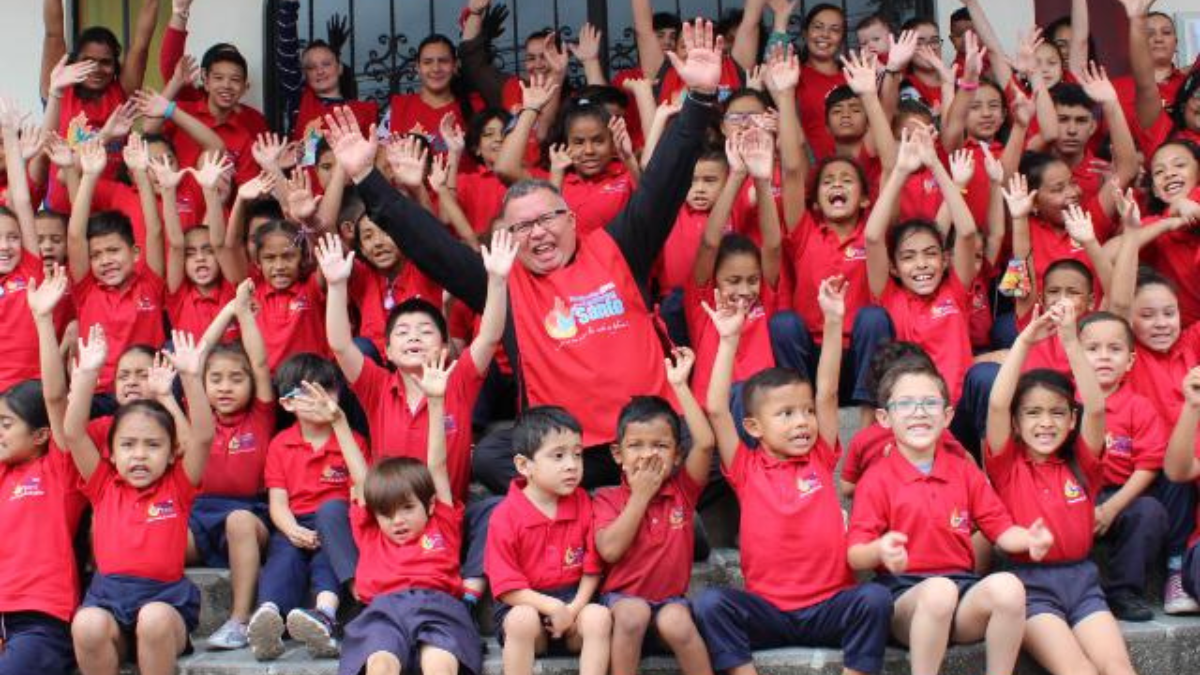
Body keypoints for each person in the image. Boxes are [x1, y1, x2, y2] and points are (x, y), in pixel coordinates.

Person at [323, 19, 725, 493]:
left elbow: (662, 185)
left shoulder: (617, 246)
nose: (537, 234)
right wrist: (368, 178)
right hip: (567, 454)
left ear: (571, 217)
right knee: (495, 457)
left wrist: (699, 101)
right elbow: (432, 248)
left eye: (547, 219)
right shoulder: (503, 279)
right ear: (508, 237)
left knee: (705, 454)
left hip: (644, 439)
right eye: (522, 227)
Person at [693, 276, 893, 675]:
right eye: (785, 415)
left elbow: (828, 393)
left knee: (875, 598)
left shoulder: (820, 456)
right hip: (766, 612)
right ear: (753, 427)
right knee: (709, 604)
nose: (802, 422)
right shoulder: (746, 468)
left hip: (831, 605)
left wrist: (833, 323)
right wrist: (729, 341)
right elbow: (716, 408)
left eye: (804, 413)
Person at [985, 303, 1136, 675]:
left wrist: (1070, 338)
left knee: (1118, 668)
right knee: (1078, 671)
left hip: (1083, 583)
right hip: (1030, 589)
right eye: (1033, 413)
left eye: (1057, 413)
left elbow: (1096, 410)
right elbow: (997, 402)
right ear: (1017, 425)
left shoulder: (1082, 463)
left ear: (1071, 421)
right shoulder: (1007, 465)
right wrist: (1023, 341)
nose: (1045, 422)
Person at [64, 327, 215, 675]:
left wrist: (191, 378)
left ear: (172, 451)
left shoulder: (178, 485)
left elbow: (203, 437)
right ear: (112, 454)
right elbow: (73, 432)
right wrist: (87, 375)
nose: (140, 456)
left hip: (165, 602)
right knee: (85, 625)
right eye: (128, 445)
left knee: (153, 619)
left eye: (153, 445)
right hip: (107, 599)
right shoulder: (103, 483)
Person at [331, 354, 483, 675]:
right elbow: (362, 480)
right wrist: (338, 422)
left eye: (407, 508)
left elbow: (437, 466)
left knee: (440, 664)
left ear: (429, 506)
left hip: (439, 608)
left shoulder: (442, 521)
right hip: (383, 609)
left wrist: (436, 402)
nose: (397, 520)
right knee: (380, 664)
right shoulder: (372, 530)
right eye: (386, 513)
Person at [594, 349, 715, 675]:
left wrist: (679, 386)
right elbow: (610, 550)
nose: (648, 455)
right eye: (636, 446)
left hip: (669, 604)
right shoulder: (606, 498)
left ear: (677, 456)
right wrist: (641, 496)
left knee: (678, 622)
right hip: (622, 603)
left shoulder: (682, 491)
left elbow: (704, 444)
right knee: (633, 614)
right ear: (618, 454)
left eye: (660, 446)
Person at [245, 354, 367, 661]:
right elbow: (278, 502)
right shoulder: (280, 445)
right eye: (308, 392)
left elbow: (361, 491)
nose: (319, 399)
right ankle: (268, 617)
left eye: (327, 390)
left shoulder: (352, 440)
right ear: (287, 403)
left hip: (338, 523)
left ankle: (324, 614)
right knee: (283, 557)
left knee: (329, 558)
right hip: (294, 522)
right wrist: (292, 529)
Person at [0, 267, 86, 675]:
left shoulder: (59, 468)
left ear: (39, 435)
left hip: (40, 619)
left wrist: (41, 321)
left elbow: (54, 396)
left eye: (5, 423)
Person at [484, 406, 613, 675]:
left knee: (599, 617)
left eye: (578, 455)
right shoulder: (505, 516)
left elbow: (593, 567)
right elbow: (506, 586)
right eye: (558, 456)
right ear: (524, 465)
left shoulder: (584, 503)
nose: (571, 465)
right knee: (521, 619)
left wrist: (573, 608)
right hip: (527, 607)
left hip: (574, 604)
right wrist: (552, 607)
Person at [184, 280, 276, 650]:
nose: (224, 387)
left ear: (252, 386)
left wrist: (245, 314)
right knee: (152, 535)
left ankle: (239, 621)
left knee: (238, 522)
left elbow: (258, 362)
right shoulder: (199, 414)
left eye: (236, 380)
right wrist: (229, 310)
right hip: (197, 514)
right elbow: (198, 357)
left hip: (247, 515)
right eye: (216, 380)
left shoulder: (261, 416)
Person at [66, 139, 166, 410]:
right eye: (96, 255)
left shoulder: (151, 284)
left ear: (135, 253)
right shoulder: (87, 289)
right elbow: (75, 237)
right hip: (98, 396)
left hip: (150, 394)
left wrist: (141, 174)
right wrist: (88, 175)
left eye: (113, 251)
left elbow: (155, 231)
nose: (105, 260)